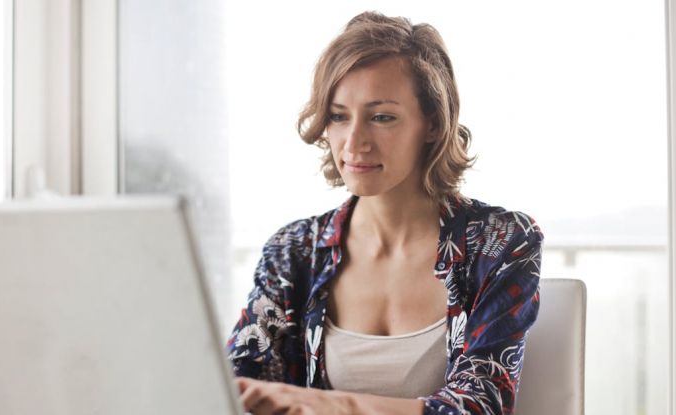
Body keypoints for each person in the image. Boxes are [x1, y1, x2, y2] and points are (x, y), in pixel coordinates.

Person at [226, 11, 543, 415]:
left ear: (432, 123)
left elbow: (481, 404)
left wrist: (330, 405)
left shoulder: (500, 242)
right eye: (339, 116)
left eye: (381, 117)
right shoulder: (295, 251)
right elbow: (235, 383)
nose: (354, 142)